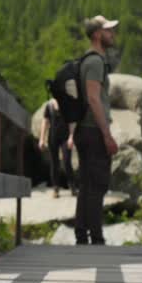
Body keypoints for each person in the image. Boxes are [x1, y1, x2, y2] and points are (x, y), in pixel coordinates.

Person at [72, 15, 119, 245]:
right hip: (92, 131)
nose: (113, 34)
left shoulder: (88, 60)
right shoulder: (95, 62)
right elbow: (93, 98)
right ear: (98, 34)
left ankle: (82, 235)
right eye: (109, 30)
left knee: (87, 184)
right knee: (97, 183)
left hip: (85, 130)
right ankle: (96, 238)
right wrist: (107, 135)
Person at [38, 97, 74, 198]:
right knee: (54, 163)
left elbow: (72, 122)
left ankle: (72, 186)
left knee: (66, 162)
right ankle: (56, 188)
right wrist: (41, 139)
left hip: (65, 138)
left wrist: (71, 137)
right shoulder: (49, 105)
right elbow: (45, 122)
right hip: (53, 137)